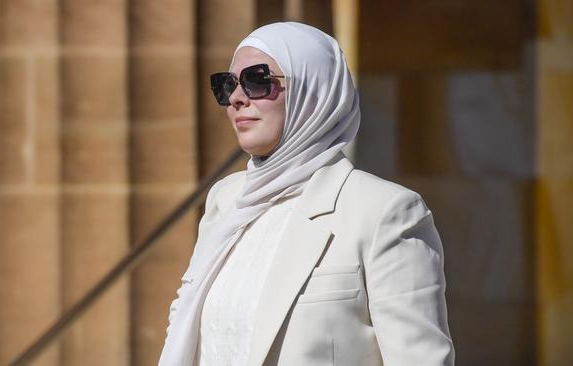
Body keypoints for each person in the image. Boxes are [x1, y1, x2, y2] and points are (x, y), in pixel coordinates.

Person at [158, 22, 455, 366]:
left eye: (257, 81)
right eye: (226, 85)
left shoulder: (384, 211)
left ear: (313, 91)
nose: (237, 98)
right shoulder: (225, 201)